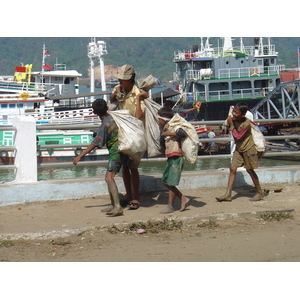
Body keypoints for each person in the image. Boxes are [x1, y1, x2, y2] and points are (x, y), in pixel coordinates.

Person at [73, 99, 124, 216]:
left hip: (115, 152)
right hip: (120, 150)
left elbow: (95, 143)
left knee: (109, 178)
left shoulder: (105, 124)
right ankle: (113, 205)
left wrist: (80, 156)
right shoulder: (113, 117)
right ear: (107, 108)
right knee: (108, 177)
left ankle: (117, 206)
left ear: (94, 112)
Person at [110, 64, 148, 210]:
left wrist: (138, 99)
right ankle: (128, 195)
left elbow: (138, 116)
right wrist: (116, 93)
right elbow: (111, 99)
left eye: (123, 80)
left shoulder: (138, 92)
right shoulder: (118, 89)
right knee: (125, 167)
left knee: (133, 166)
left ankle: (136, 197)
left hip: (135, 135)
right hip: (121, 134)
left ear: (131, 79)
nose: (120, 82)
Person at [216, 102, 264, 202]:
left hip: (248, 149)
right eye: (233, 111)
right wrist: (229, 123)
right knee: (232, 168)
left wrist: (231, 124)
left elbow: (238, 136)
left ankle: (259, 192)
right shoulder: (233, 119)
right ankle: (228, 194)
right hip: (239, 149)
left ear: (243, 114)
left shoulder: (246, 123)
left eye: (236, 112)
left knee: (250, 170)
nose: (233, 114)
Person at [157, 106, 190, 213]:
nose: (158, 121)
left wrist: (169, 133)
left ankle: (171, 205)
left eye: (159, 119)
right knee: (166, 181)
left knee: (170, 182)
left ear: (163, 119)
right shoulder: (166, 127)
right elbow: (162, 141)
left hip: (177, 157)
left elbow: (183, 133)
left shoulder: (174, 126)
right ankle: (182, 198)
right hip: (171, 157)